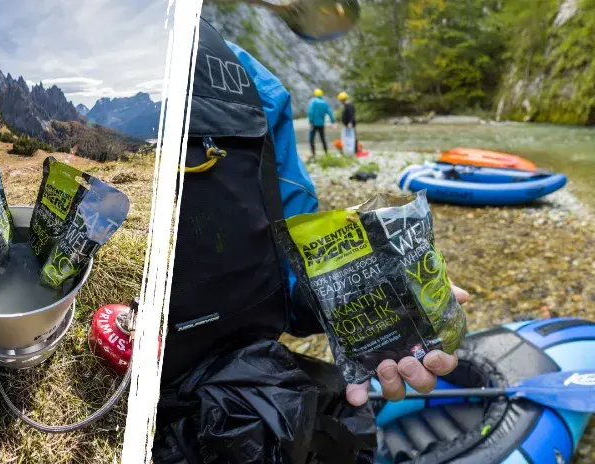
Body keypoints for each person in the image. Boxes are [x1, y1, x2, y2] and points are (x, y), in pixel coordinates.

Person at [162, 16, 470, 435]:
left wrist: (379, 292)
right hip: (238, 392)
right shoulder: (247, 75)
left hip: (247, 399)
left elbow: (293, 276)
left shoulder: (252, 82)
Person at [307, 88, 335, 159]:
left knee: (311, 139)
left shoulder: (313, 102)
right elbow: (330, 113)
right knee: (323, 139)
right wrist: (333, 121)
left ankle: (313, 154)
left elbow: (311, 112)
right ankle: (326, 153)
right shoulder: (324, 103)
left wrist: (310, 121)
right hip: (321, 124)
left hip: (313, 124)